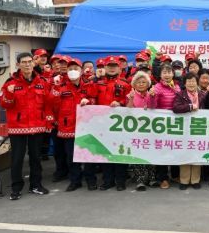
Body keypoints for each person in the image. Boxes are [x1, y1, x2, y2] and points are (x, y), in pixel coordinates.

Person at [0, 52, 53, 200]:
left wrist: (48, 121)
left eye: (29, 61)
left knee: (36, 158)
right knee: (17, 159)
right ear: (18, 64)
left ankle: (36, 185)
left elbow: (48, 104)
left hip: (37, 126)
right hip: (17, 127)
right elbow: (4, 104)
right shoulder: (10, 83)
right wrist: (9, 94)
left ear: (33, 63)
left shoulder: (42, 81)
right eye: (24, 62)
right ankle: (16, 188)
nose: (27, 64)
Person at [51, 58, 96, 192]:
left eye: (75, 69)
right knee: (71, 156)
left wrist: (89, 101)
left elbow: (95, 99)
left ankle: (91, 180)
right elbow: (53, 105)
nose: (72, 71)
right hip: (68, 126)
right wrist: (55, 88)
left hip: (86, 125)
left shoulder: (89, 85)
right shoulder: (61, 86)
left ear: (81, 71)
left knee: (88, 155)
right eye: (70, 69)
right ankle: (75, 181)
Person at [94, 56, 132, 191]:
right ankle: (107, 180)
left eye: (114, 66)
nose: (111, 68)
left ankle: (121, 181)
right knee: (105, 152)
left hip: (119, 124)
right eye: (109, 66)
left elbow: (130, 102)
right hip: (102, 124)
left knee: (120, 152)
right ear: (104, 67)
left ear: (119, 68)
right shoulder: (97, 83)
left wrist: (120, 103)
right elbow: (92, 98)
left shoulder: (125, 84)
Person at [173, 73, 207, 190]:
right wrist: (190, 107)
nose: (191, 83)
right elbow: (175, 108)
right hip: (184, 129)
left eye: (193, 81)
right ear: (185, 83)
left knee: (196, 152)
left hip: (198, 128)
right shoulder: (180, 94)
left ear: (197, 83)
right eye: (189, 81)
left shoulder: (202, 94)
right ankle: (184, 180)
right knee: (185, 153)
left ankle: (195, 180)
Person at [127, 71, 158, 191]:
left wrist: (153, 96)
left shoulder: (151, 94)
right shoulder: (131, 95)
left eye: (143, 82)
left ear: (148, 84)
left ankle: (152, 178)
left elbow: (153, 107)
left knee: (150, 153)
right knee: (138, 155)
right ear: (134, 84)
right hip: (136, 131)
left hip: (150, 130)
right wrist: (130, 99)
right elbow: (128, 111)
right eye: (138, 82)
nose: (141, 84)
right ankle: (140, 180)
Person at [153, 63, 181, 189]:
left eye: (169, 72)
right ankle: (163, 178)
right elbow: (152, 106)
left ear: (173, 74)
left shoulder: (177, 86)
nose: (167, 75)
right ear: (160, 75)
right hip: (161, 125)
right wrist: (153, 96)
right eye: (164, 72)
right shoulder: (157, 87)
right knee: (162, 151)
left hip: (175, 124)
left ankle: (175, 175)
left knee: (175, 149)